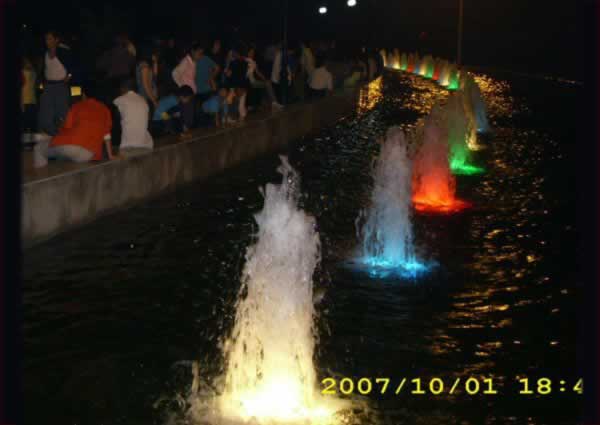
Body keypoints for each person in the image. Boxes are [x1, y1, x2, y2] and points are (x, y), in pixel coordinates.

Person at [33, 79, 115, 167]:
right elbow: (107, 135)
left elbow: (66, 127)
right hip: (89, 154)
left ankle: (41, 173)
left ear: (84, 95)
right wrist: (110, 155)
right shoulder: (105, 110)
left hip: (70, 146)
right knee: (63, 156)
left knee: (38, 148)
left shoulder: (77, 106)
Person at [38, 30, 75, 136]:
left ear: (56, 40)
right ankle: (54, 135)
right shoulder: (45, 52)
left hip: (60, 85)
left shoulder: (63, 51)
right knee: (45, 113)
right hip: (48, 86)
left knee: (62, 112)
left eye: (50, 39)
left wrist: (69, 76)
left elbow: (74, 65)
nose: (47, 41)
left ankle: (67, 136)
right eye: (46, 39)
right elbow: (43, 69)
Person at [113, 78, 153, 154]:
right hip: (146, 144)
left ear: (123, 88)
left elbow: (117, 119)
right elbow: (148, 119)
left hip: (128, 145)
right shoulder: (143, 100)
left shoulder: (120, 99)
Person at [246, 45, 282, 110]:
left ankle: (272, 102)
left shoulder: (253, 61)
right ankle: (273, 102)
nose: (252, 54)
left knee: (267, 83)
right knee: (267, 84)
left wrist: (265, 79)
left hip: (253, 81)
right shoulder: (245, 60)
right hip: (249, 82)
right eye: (251, 52)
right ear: (247, 52)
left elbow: (258, 72)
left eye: (253, 52)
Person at [224, 46, 249, 121]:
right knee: (240, 105)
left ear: (237, 53)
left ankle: (229, 117)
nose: (232, 54)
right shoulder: (245, 62)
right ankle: (241, 117)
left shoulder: (233, 63)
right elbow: (245, 75)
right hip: (243, 86)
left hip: (235, 86)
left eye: (233, 52)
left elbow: (228, 75)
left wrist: (227, 65)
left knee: (230, 102)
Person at [136, 47, 159, 113]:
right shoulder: (144, 67)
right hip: (145, 96)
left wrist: (155, 62)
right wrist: (153, 100)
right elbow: (146, 86)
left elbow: (155, 77)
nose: (155, 55)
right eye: (154, 54)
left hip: (149, 95)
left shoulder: (147, 65)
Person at [21, 56, 38, 142]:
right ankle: (28, 142)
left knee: (29, 123)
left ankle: (29, 142)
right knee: (28, 123)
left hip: (29, 101)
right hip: (27, 101)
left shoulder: (31, 72)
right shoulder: (31, 72)